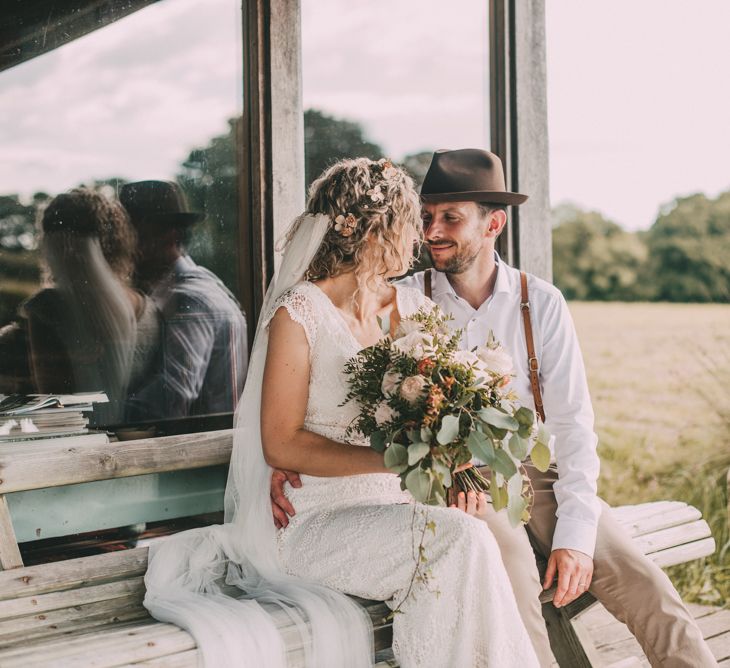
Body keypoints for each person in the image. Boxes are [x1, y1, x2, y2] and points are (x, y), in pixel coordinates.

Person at [273, 149, 717, 668]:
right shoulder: (401, 298)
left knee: (646, 587)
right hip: (457, 481)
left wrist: (574, 538)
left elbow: (574, 427)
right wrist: (283, 456)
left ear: (493, 223)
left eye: (450, 218)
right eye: (426, 218)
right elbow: (336, 379)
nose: (432, 231)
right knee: (513, 578)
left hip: (540, 476)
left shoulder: (541, 302)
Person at [143, 158, 540, 667]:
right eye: (410, 219)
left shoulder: (415, 309)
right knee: (458, 539)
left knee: (469, 539)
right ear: (380, 227)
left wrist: (455, 450)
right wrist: (398, 460)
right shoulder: (299, 312)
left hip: (400, 510)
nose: (419, 233)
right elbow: (280, 444)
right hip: (313, 520)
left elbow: (437, 408)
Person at [22, 187, 160, 425]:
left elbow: (54, 406)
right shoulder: (148, 308)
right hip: (135, 443)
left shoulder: (47, 308)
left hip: (77, 449)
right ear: (113, 241)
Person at [119, 180, 247, 420]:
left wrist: (106, 413)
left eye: (133, 235)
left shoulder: (188, 301)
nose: (124, 248)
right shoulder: (200, 285)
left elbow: (171, 400)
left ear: (170, 235)